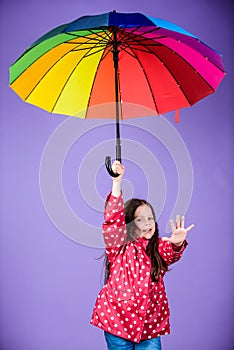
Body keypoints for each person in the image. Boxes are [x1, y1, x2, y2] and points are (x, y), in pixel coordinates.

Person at [91, 161, 194, 349]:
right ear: (129, 223)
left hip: (149, 327)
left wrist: (177, 242)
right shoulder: (119, 246)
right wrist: (116, 183)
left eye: (150, 218)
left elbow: (171, 253)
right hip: (118, 325)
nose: (147, 223)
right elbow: (112, 220)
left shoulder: (159, 246)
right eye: (140, 219)